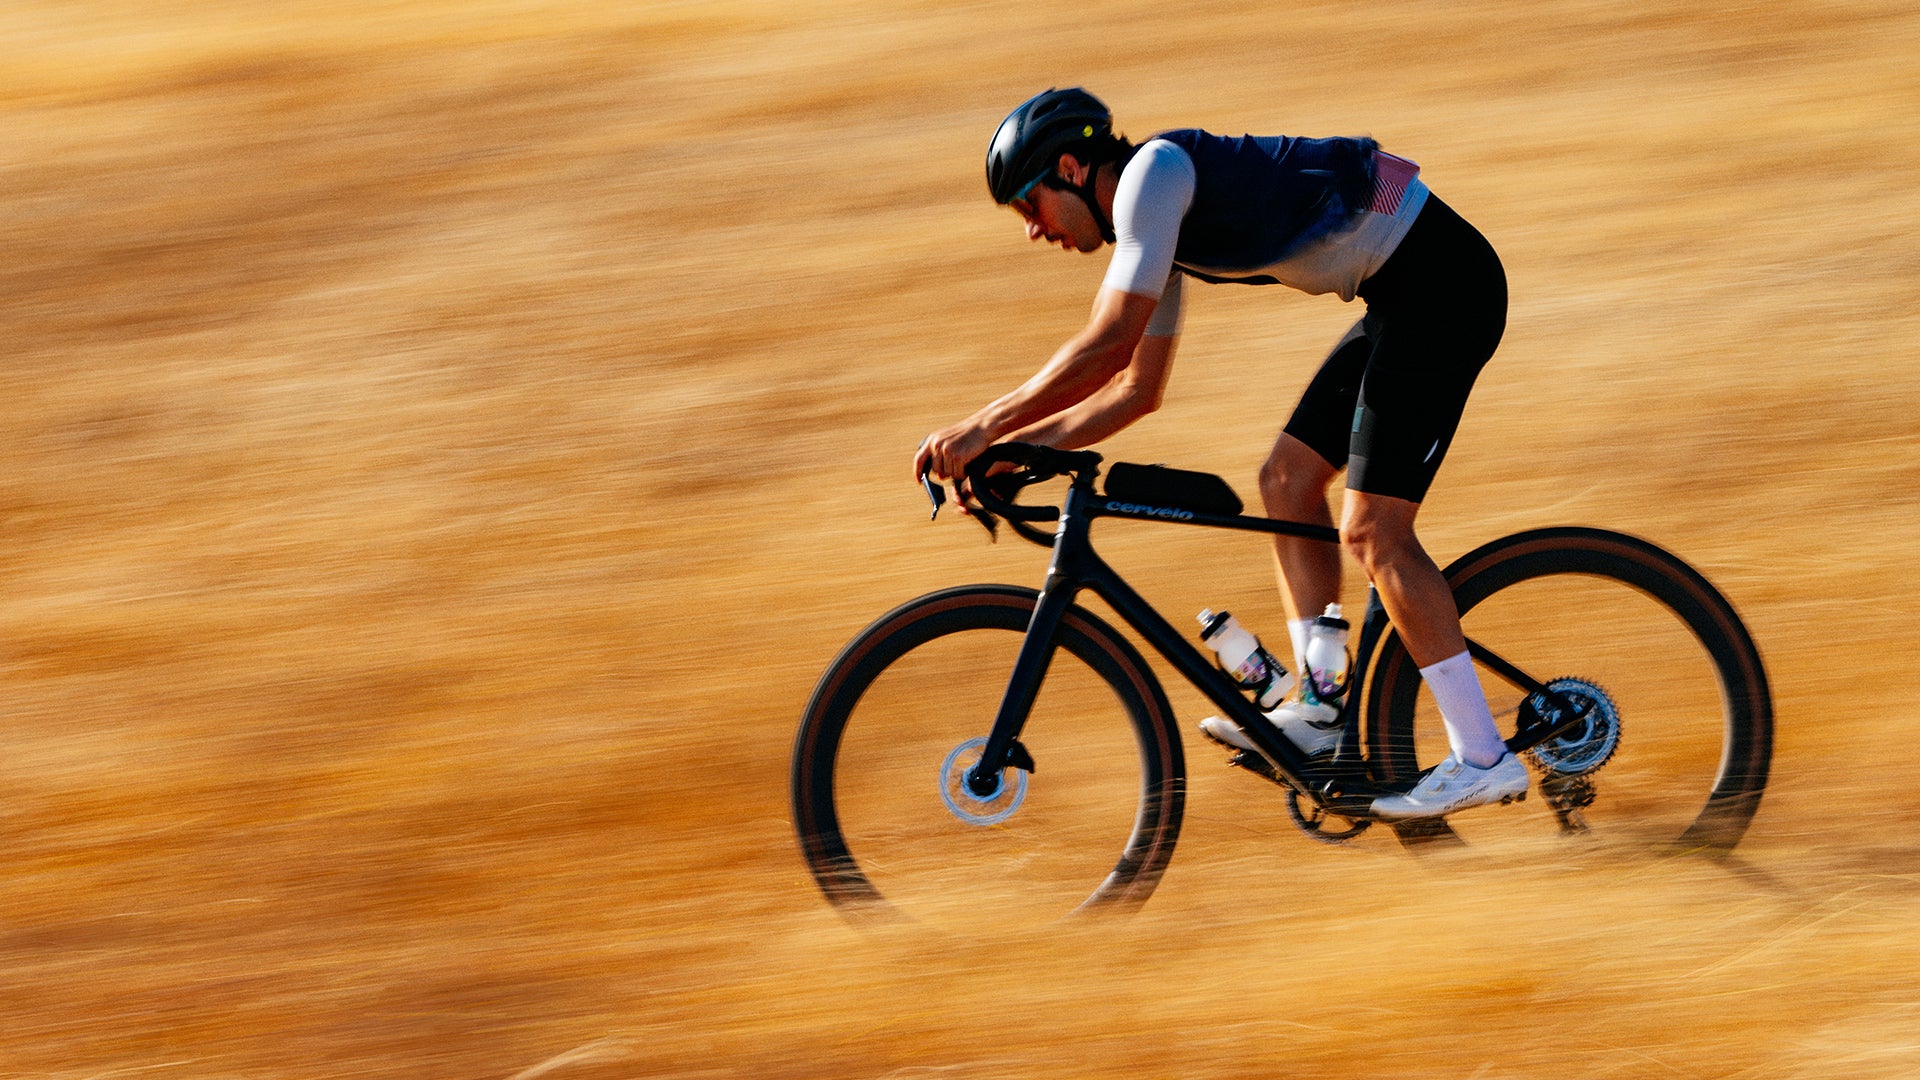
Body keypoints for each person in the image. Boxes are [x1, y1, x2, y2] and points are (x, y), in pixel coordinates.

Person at [911, 87, 1527, 820]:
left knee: (1373, 533)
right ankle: (1321, 713)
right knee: (1287, 480)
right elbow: (1136, 391)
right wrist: (1015, 449)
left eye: (1028, 205)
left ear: (1071, 168)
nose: (1031, 232)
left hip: (1442, 290)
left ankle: (1484, 756)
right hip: (1399, 297)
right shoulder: (1153, 227)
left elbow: (1108, 346)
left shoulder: (1153, 175)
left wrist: (983, 427)